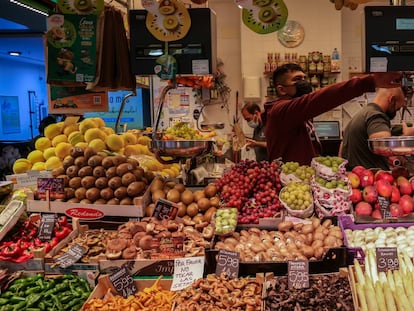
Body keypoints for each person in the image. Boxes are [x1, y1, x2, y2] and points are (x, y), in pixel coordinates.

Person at [264, 63, 402, 165]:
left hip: (303, 180)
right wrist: (369, 82)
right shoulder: (280, 111)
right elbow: (321, 98)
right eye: (297, 79)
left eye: (305, 78)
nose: (304, 83)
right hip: (288, 185)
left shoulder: (299, 113)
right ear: (281, 90)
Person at [341, 87, 414, 170]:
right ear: (391, 99)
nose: (395, 113)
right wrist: (407, 136)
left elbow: (341, 147)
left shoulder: (363, 113)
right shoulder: (376, 116)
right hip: (372, 177)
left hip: (357, 175)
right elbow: (385, 147)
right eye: (397, 109)